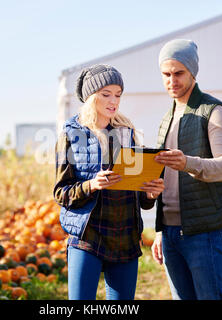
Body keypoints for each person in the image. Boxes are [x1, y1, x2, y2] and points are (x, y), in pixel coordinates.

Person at [53, 64, 165, 300]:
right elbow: (61, 193)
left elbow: (140, 196)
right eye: (106, 94)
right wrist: (91, 185)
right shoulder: (71, 135)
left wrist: (150, 193)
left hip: (124, 236)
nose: (113, 101)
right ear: (91, 97)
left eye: (118, 94)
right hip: (87, 237)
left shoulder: (128, 132)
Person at [150, 39, 222, 300]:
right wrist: (159, 232)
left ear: (193, 72)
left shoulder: (213, 112)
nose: (172, 80)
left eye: (178, 73)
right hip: (170, 234)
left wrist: (188, 163)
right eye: (166, 74)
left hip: (204, 232)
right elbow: (165, 179)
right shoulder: (166, 119)